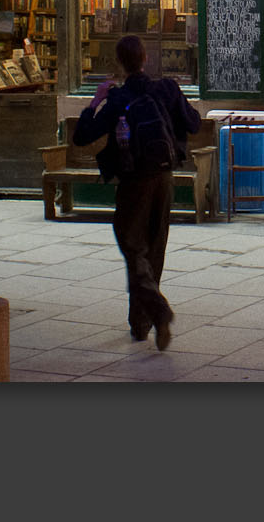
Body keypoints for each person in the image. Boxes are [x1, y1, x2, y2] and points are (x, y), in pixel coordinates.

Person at [72, 34, 199, 350]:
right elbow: (194, 124)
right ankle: (141, 325)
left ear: (120, 63)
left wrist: (95, 101)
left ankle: (156, 310)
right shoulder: (167, 88)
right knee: (154, 248)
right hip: (165, 177)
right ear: (145, 59)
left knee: (131, 244)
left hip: (133, 181)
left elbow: (82, 136)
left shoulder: (117, 98)